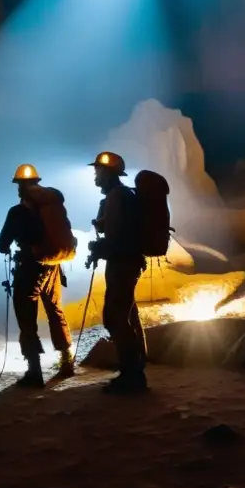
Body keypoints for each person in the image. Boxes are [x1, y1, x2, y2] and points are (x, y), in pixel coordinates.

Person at [0, 164, 75, 388]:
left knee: (26, 318)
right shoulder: (51, 206)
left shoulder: (17, 212)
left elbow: (2, 245)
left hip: (29, 268)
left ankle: (35, 370)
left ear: (19, 188)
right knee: (55, 311)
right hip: (53, 267)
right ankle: (66, 361)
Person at [88, 151, 148, 394]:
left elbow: (118, 239)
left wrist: (98, 247)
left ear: (108, 173)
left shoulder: (117, 197)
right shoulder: (122, 196)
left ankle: (132, 376)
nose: (95, 174)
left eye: (98, 170)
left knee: (115, 318)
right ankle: (134, 370)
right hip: (127, 263)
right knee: (126, 316)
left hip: (122, 264)